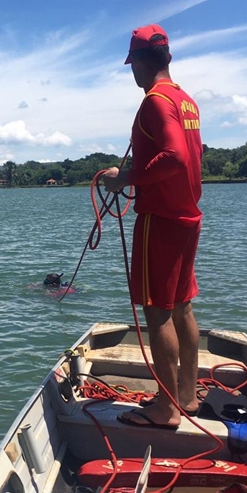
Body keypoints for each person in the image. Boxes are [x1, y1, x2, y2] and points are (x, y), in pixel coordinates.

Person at [102, 24, 203, 429]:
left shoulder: (155, 102)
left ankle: (165, 408)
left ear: (139, 63)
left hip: (160, 219)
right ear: (169, 58)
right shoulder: (187, 101)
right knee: (182, 307)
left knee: (157, 312)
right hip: (187, 216)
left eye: (132, 64)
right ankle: (187, 396)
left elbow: (175, 156)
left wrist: (125, 177)